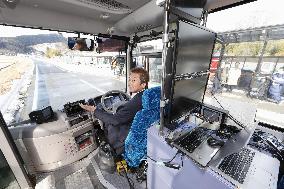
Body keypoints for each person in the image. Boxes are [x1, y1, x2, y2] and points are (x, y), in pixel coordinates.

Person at [80, 67, 149, 154]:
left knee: (106, 124)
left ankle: (111, 150)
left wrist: (94, 110)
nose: (129, 83)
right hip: (141, 132)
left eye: (134, 81)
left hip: (124, 140)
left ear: (143, 84)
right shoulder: (147, 97)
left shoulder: (134, 103)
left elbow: (114, 120)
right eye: (129, 80)